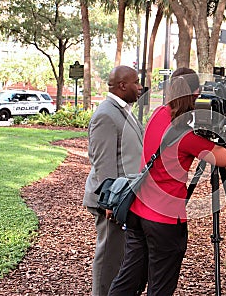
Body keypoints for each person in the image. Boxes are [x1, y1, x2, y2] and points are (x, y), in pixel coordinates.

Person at [108, 67, 226, 296]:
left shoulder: (158, 114)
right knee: (161, 286)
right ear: (197, 93)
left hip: (138, 212)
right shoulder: (188, 136)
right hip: (165, 221)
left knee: (128, 281)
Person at [83, 65, 143, 296]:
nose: (139, 87)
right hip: (112, 201)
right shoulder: (106, 115)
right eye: (136, 83)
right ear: (122, 86)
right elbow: (103, 163)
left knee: (119, 257)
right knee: (108, 257)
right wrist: (110, 203)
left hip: (123, 199)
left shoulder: (123, 110)